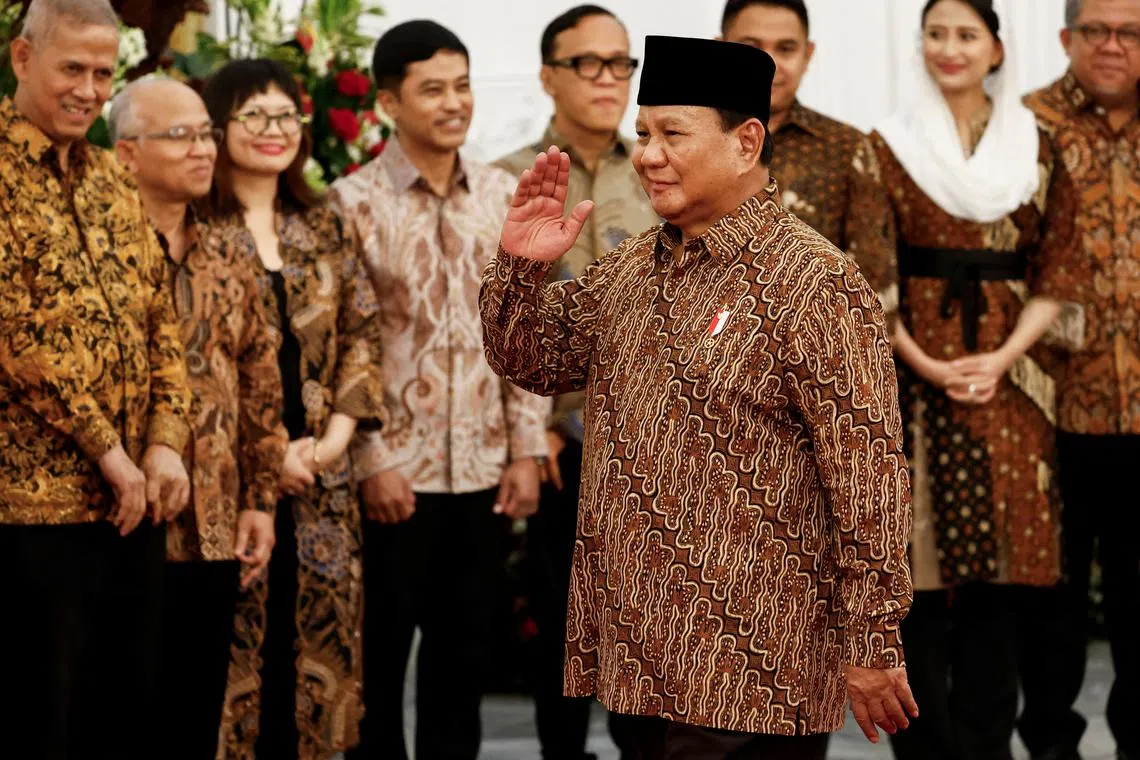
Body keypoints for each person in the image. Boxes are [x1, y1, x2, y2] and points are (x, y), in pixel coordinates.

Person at [481, 34, 917, 760]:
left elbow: (869, 477)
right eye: (643, 133)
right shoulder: (630, 268)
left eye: (672, 134)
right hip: (639, 656)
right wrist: (521, 270)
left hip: (753, 667)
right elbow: (532, 360)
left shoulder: (816, 282)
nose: (648, 154)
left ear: (746, 142)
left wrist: (872, 637)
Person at [866, 1, 1083, 758]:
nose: (948, 49)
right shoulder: (884, 147)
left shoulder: (1040, 144)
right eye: (935, 33)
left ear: (996, 49)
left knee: (997, 592)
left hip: (1012, 386)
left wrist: (999, 359)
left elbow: (1060, 271)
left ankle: (989, 749)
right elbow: (868, 277)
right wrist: (926, 363)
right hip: (912, 387)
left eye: (966, 35)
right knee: (917, 591)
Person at [329, 20, 551, 760]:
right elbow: (338, 349)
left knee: (464, 661)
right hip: (395, 474)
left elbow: (525, 327)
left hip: (484, 469)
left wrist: (524, 448)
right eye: (433, 89)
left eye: (461, 86)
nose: (454, 103)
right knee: (380, 658)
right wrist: (372, 458)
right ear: (389, 103)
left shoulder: (500, 195)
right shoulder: (350, 203)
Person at [0, 1, 193, 759]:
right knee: (34, 717)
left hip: (133, 504)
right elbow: (15, 333)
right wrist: (108, 448)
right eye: (70, 69)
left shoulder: (115, 183)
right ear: (22, 60)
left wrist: (165, 443)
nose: (87, 89)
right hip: (29, 509)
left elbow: (160, 322)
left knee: (121, 716)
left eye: (102, 73)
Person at [199, 58, 386, 760]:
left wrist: (330, 445)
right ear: (217, 128)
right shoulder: (195, 223)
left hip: (321, 480)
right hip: (223, 481)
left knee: (314, 656)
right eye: (255, 115)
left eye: (287, 116)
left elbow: (362, 335)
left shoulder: (324, 222)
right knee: (230, 659)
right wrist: (263, 456)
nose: (275, 130)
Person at [108, 77, 295, 760]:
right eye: (179, 135)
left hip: (214, 518)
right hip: (117, 515)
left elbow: (260, 382)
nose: (203, 149)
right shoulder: (98, 251)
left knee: (194, 710)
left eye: (205, 133)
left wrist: (261, 500)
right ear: (126, 155)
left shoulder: (229, 249)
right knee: (116, 709)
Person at [494, 6, 659, 759]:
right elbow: (497, 317)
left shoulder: (662, 171)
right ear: (547, 76)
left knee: (650, 628)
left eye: (621, 63)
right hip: (563, 446)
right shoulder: (511, 179)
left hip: (659, 447)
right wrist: (530, 434)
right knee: (562, 625)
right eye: (588, 63)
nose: (609, 79)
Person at [1018, 1, 1140, 759]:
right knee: (1051, 610)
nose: (1111, 45)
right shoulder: (1024, 126)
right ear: (1066, 38)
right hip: (1051, 408)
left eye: (1129, 31)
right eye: (1095, 29)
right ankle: (1052, 748)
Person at [719, 0, 896, 297]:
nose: (769, 64)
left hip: (816, 334)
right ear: (719, 49)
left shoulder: (846, 148)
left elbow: (874, 280)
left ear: (808, 54)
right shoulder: (687, 141)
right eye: (751, 47)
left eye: (786, 49)